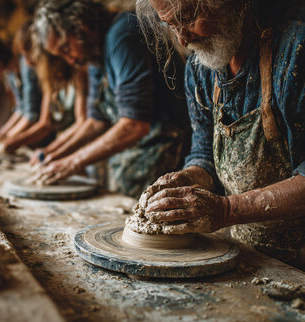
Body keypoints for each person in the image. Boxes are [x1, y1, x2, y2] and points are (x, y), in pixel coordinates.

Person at [136, 0, 305, 267]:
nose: (182, 39)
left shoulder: (297, 46)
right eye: (171, 25)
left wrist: (227, 210)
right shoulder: (200, 68)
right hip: (247, 254)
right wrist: (188, 178)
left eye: (188, 18)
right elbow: (204, 153)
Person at [32, 0, 190, 198]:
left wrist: (71, 162)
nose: (71, 60)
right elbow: (96, 121)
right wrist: (54, 155)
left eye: (66, 48)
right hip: (138, 151)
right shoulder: (93, 54)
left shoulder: (122, 35)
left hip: (166, 147)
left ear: (81, 26)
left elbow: (135, 125)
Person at [0, 20, 43, 145]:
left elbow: (31, 114)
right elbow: (20, 109)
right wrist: (2, 134)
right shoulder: (10, 75)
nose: (28, 62)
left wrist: (8, 138)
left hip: (40, 138)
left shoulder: (26, 68)